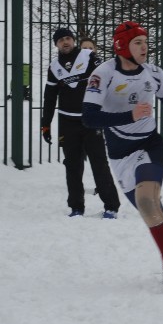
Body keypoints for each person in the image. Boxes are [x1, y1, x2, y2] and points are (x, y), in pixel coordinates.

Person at [82, 21, 163, 291]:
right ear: (122, 46)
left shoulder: (153, 72)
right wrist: (129, 115)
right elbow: (88, 117)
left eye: (145, 41)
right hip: (119, 154)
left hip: (150, 146)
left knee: (147, 202)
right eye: (138, 42)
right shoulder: (104, 74)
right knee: (154, 211)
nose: (144, 46)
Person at [41, 27, 122, 219]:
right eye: (61, 40)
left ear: (74, 40)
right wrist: (46, 124)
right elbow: (50, 97)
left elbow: (107, 80)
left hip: (91, 120)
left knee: (99, 163)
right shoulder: (54, 67)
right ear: (56, 44)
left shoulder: (88, 56)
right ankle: (76, 207)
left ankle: (111, 206)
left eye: (68, 38)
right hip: (67, 122)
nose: (65, 42)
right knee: (72, 165)